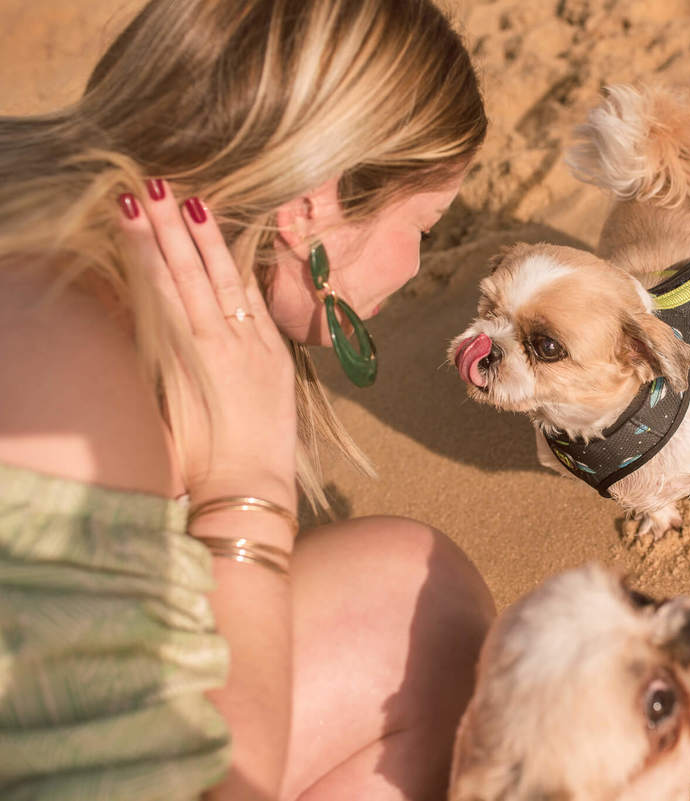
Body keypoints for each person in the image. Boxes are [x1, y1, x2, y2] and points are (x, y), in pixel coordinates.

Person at [0, 1, 495, 799]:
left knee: (412, 601)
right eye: (427, 226)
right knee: (427, 633)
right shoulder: (87, 388)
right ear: (311, 208)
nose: (413, 266)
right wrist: (245, 495)